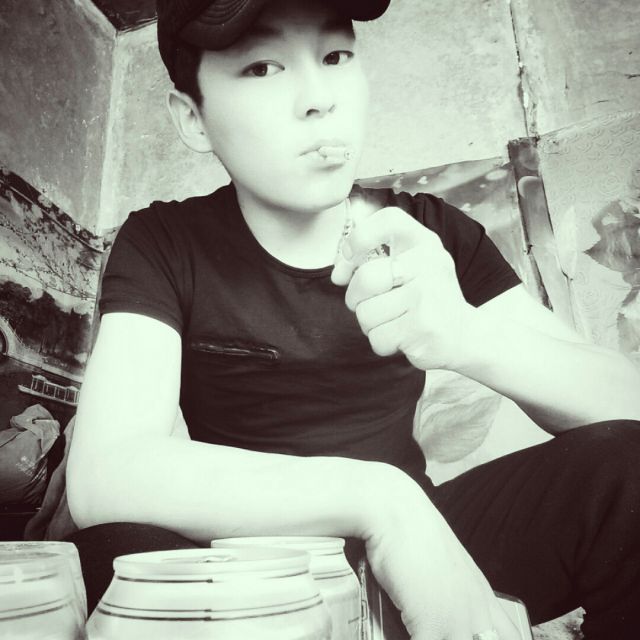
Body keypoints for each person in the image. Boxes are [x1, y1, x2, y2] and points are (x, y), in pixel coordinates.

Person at [65, 0, 640, 638]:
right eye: (262, 68)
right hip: (251, 564)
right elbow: (104, 474)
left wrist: (467, 334)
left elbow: (626, 406)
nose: (320, 99)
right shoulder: (164, 242)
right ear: (193, 118)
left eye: (336, 56)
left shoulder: (432, 231)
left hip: (434, 546)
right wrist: (382, 500)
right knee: (111, 560)